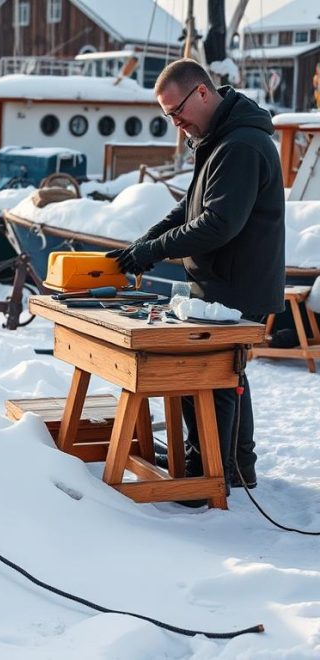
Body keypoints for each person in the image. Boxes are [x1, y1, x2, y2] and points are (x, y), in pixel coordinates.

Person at [107, 58, 285, 494]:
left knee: (210, 377)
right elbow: (190, 208)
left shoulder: (239, 146)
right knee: (229, 377)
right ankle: (234, 465)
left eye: (176, 112)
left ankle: (207, 472)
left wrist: (151, 252)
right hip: (228, 282)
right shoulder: (221, 138)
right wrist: (144, 243)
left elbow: (218, 224)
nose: (176, 123)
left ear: (201, 93)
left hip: (236, 284)